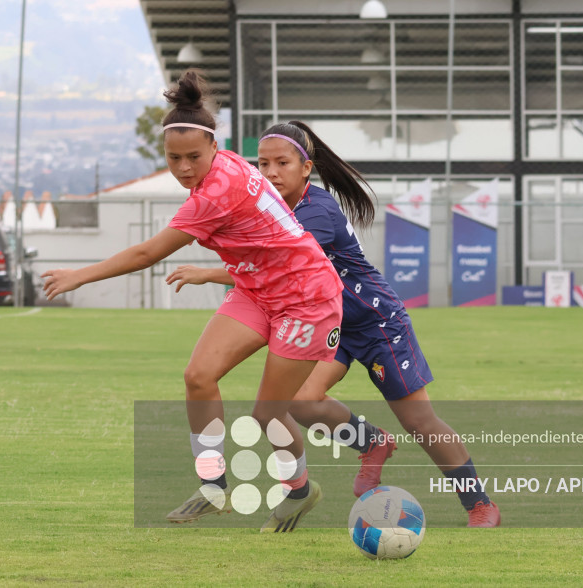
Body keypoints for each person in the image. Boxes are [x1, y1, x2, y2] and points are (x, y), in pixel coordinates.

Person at [42, 72, 344, 533]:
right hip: (258, 289)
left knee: (267, 414)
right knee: (198, 376)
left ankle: (300, 490)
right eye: (173, 157)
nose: (183, 167)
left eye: (193, 157)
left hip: (307, 299)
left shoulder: (216, 192)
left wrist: (78, 276)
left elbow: (148, 253)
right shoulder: (226, 167)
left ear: (213, 149)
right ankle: (212, 485)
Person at [166, 121, 500, 527]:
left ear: (306, 168)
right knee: (300, 402)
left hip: (376, 321)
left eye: (282, 162)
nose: (271, 172)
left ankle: (480, 504)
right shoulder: (270, 205)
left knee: (418, 421)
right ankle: (370, 442)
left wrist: (209, 273)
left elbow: (271, 263)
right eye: (264, 163)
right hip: (327, 320)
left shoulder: (316, 210)